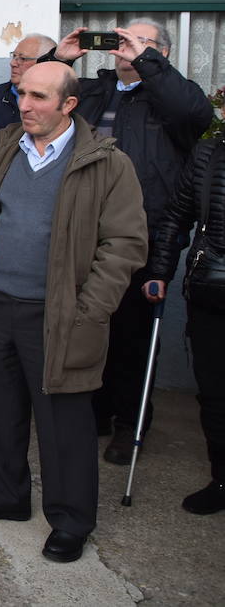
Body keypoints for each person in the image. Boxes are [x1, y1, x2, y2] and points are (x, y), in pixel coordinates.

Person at [0, 61, 146, 564]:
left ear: (69, 105)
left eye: (39, 97)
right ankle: (6, 495)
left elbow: (124, 244)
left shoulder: (106, 163)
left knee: (64, 423)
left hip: (59, 313)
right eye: (21, 94)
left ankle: (71, 520)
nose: (25, 105)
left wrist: (90, 311)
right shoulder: (6, 148)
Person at [48, 20, 213, 463]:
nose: (125, 49)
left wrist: (145, 60)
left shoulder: (175, 99)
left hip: (144, 233)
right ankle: (96, 411)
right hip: (79, 229)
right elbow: (39, 107)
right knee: (86, 323)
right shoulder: (92, 90)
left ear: (160, 53)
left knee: (133, 334)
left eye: (140, 44)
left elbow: (196, 116)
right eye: (123, 41)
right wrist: (58, 60)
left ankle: (130, 421)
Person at [144, 118, 225, 515]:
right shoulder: (208, 152)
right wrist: (160, 270)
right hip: (211, 290)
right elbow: (177, 214)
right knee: (213, 394)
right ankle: (221, 479)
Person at [0, 34, 56, 131]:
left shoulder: (62, 98)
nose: (12, 63)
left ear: (45, 62)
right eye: (14, 56)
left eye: (23, 58)